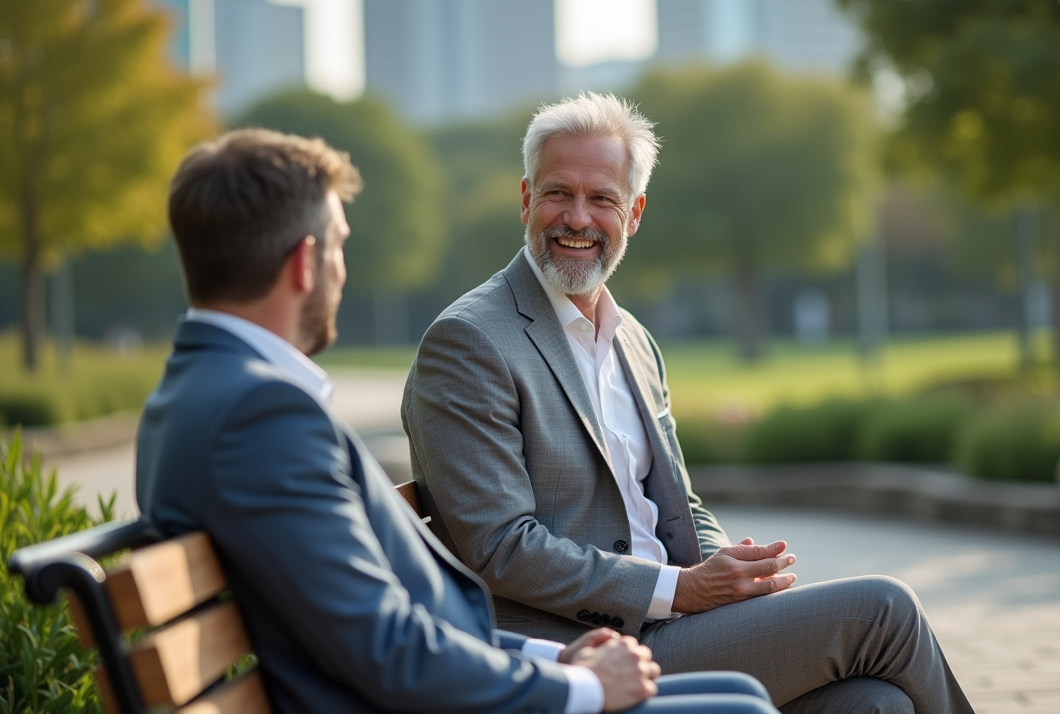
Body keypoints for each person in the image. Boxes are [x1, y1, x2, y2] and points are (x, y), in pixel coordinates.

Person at [135, 128, 777, 714]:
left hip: (466, 673)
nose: (341, 271)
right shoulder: (261, 415)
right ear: (306, 263)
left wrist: (558, 661)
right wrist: (580, 687)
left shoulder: (196, 396)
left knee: (746, 695)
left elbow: (383, 630)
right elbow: (387, 648)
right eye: (339, 248)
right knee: (741, 708)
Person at [402, 94, 976, 714]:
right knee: (883, 610)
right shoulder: (469, 340)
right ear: (525, 200)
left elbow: (679, 501)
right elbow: (501, 548)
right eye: (557, 193)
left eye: (602, 199)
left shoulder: (635, 342)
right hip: (580, 652)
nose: (578, 218)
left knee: (873, 701)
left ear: (635, 212)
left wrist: (730, 573)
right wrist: (684, 589)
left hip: (670, 627)